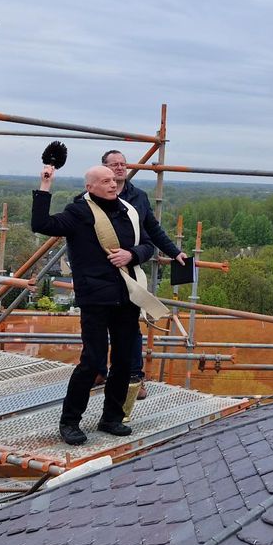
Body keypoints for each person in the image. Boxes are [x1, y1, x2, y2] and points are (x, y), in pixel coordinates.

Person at [32, 162, 155, 445]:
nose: (112, 184)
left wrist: (132, 255)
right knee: (92, 361)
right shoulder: (79, 213)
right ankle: (70, 422)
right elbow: (41, 224)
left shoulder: (129, 211)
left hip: (126, 296)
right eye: (105, 181)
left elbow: (148, 244)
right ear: (90, 187)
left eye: (113, 180)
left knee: (124, 360)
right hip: (96, 298)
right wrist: (45, 186)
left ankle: (111, 417)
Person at [100, 150, 188, 398]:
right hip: (101, 271)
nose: (120, 168)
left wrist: (174, 253)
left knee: (129, 326)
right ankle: (97, 369)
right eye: (114, 164)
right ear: (104, 167)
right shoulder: (92, 196)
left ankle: (134, 377)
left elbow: (152, 229)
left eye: (123, 164)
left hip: (129, 271)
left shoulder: (137, 197)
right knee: (95, 324)